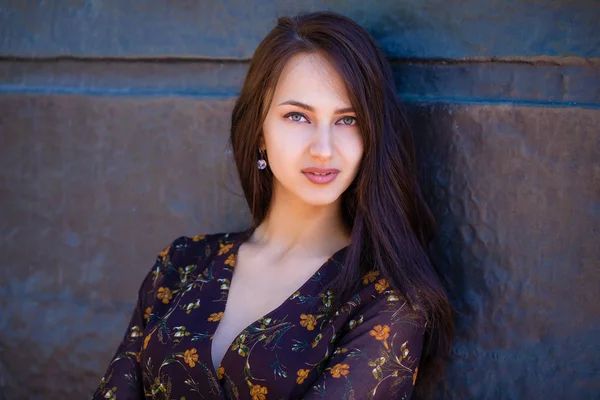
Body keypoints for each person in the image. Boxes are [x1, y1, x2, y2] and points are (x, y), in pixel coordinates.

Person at [92, 10, 454, 400]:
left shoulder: (386, 303)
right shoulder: (180, 265)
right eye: (297, 116)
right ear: (260, 131)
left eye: (347, 120)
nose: (323, 148)